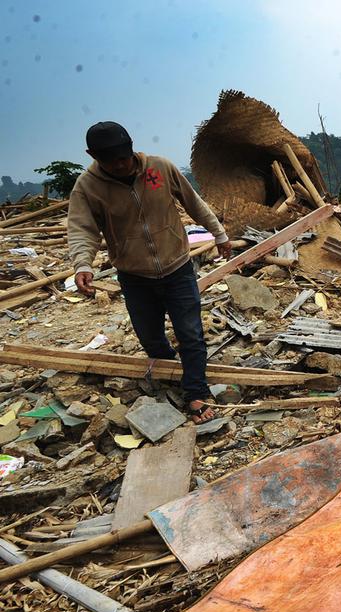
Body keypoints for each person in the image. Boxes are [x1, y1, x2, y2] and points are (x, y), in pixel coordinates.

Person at [66, 121, 233, 423]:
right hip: (134, 275)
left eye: (124, 157)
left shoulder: (159, 167)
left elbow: (193, 202)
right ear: (93, 155)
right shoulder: (87, 187)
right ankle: (172, 374)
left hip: (177, 266)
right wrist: (82, 264)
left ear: (131, 148)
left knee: (191, 333)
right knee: (151, 338)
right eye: (110, 160)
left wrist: (219, 235)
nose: (120, 165)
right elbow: (81, 229)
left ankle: (195, 390)